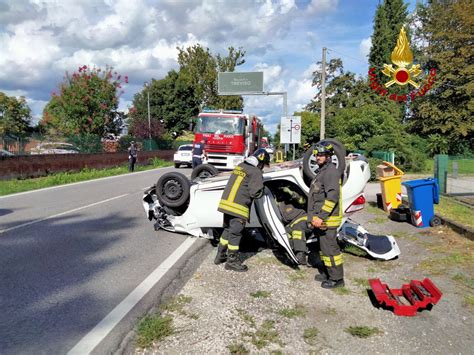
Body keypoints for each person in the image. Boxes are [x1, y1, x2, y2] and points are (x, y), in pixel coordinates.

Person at [214, 148, 270, 272]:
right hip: (238, 208)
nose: (263, 168)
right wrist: (264, 189)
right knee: (235, 234)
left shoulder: (241, 166)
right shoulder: (255, 172)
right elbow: (256, 193)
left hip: (226, 205)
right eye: (263, 165)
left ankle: (220, 255)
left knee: (228, 230)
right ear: (260, 162)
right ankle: (232, 262)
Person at [307, 143, 344, 289]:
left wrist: (321, 216)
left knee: (330, 249)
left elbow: (332, 197)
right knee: (324, 248)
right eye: (316, 155)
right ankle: (327, 273)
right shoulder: (322, 171)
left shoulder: (330, 172)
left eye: (321, 155)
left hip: (328, 219)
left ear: (329, 156)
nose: (318, 157)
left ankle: (337, 279)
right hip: (321, 218)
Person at [274, 185, 308, 265]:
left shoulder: (292, 197)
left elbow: (302, 201)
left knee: (297, 229)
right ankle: (292, 252)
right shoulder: (279, 204)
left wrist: (291, 193)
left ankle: (301, 254)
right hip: (291, 224)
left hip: (302, 219)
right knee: (282, 234)